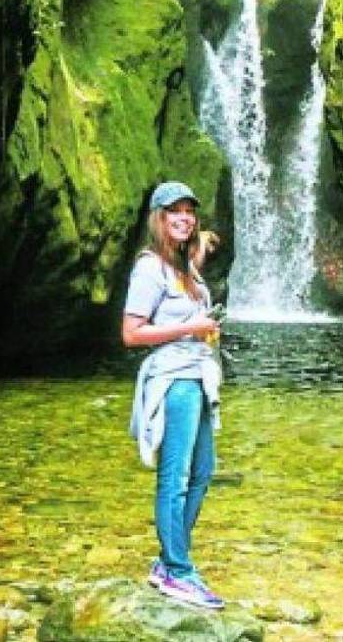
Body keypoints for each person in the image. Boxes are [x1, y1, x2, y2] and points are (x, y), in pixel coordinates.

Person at [123, 180, 224, 609]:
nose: (184, 217)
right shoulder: (150, 268)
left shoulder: (184, 269)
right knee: (175, 476)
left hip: (198, 375)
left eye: (190, 211)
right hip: (174, 379)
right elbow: (131, 333)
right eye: (174, 211)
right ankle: (178, 570)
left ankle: (170, 561)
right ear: (158, 218)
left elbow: (194, 258)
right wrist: (192, 328)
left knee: (203, 471)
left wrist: (205, 327)